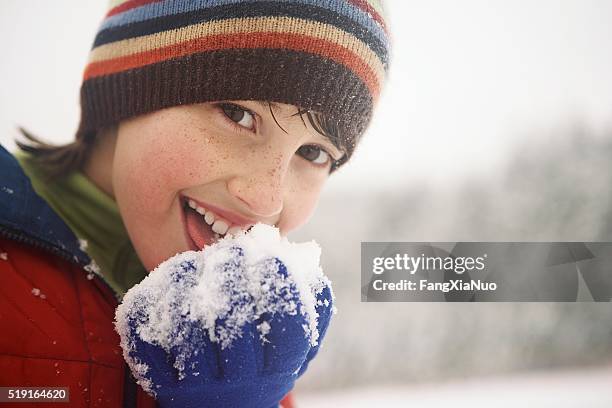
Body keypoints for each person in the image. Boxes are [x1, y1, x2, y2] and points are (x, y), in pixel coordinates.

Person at [0, 0, 389, 406]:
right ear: (128, 90)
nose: (265, 200)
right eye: (238, 114)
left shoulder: (244, 342)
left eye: (312, 154)